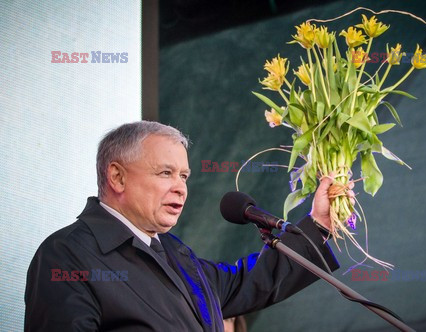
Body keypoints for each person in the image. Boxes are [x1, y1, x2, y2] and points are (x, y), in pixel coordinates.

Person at [24, 121, 347, 331]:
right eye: (165, 173)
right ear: (117, 176)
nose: (180, 187)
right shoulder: (67, 255)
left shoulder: (176, 255)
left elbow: (249, 283)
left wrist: (317, 225)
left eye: (184, 176)